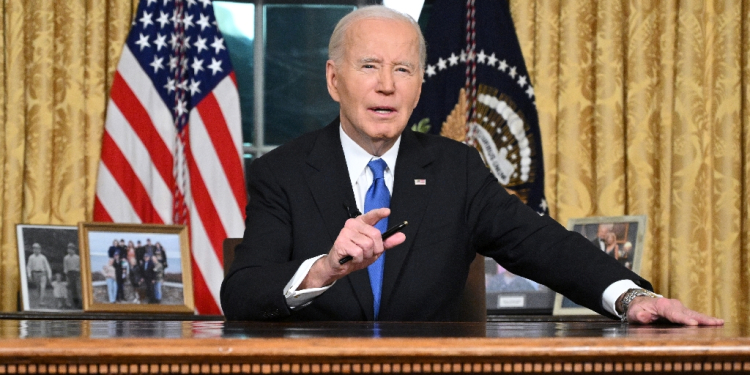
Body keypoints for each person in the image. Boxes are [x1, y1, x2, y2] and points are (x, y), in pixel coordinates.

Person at [221, 6, 722, 326]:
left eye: (403, 70)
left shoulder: (456, 169)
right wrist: (326, 269)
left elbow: (542, 244)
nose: (387, 85)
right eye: (369, 66)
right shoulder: (281, 172)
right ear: (334, 80)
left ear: (420, 86)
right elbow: (242, 294)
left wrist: (631, 297)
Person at [26, 243, 53, 307]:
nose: (36, 250)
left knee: (43, 287)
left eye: (37, 249)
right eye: (34, 249)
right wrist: (29, 275)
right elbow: (29, 267)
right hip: (35, 273)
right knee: (38, 288)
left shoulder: (43, 257)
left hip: (43, 273)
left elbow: (47, 267)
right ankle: (40, 299)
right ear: (33, 250)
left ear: (40, 249)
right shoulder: (31, 257)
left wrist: (49, 275)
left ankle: (41, 301)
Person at [62, 242, 82, 309]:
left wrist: (78, 273)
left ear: (74, 250)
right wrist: (66, 274)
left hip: (76, 273)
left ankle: (79, 303)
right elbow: (65, 267)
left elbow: (80, 266)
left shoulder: (77, 257)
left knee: (77, 288)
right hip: (69, 273)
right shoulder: (66, 258)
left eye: (71, 249)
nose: (70, 250)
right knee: (71, 289)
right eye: (69, 249)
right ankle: (72, 303)